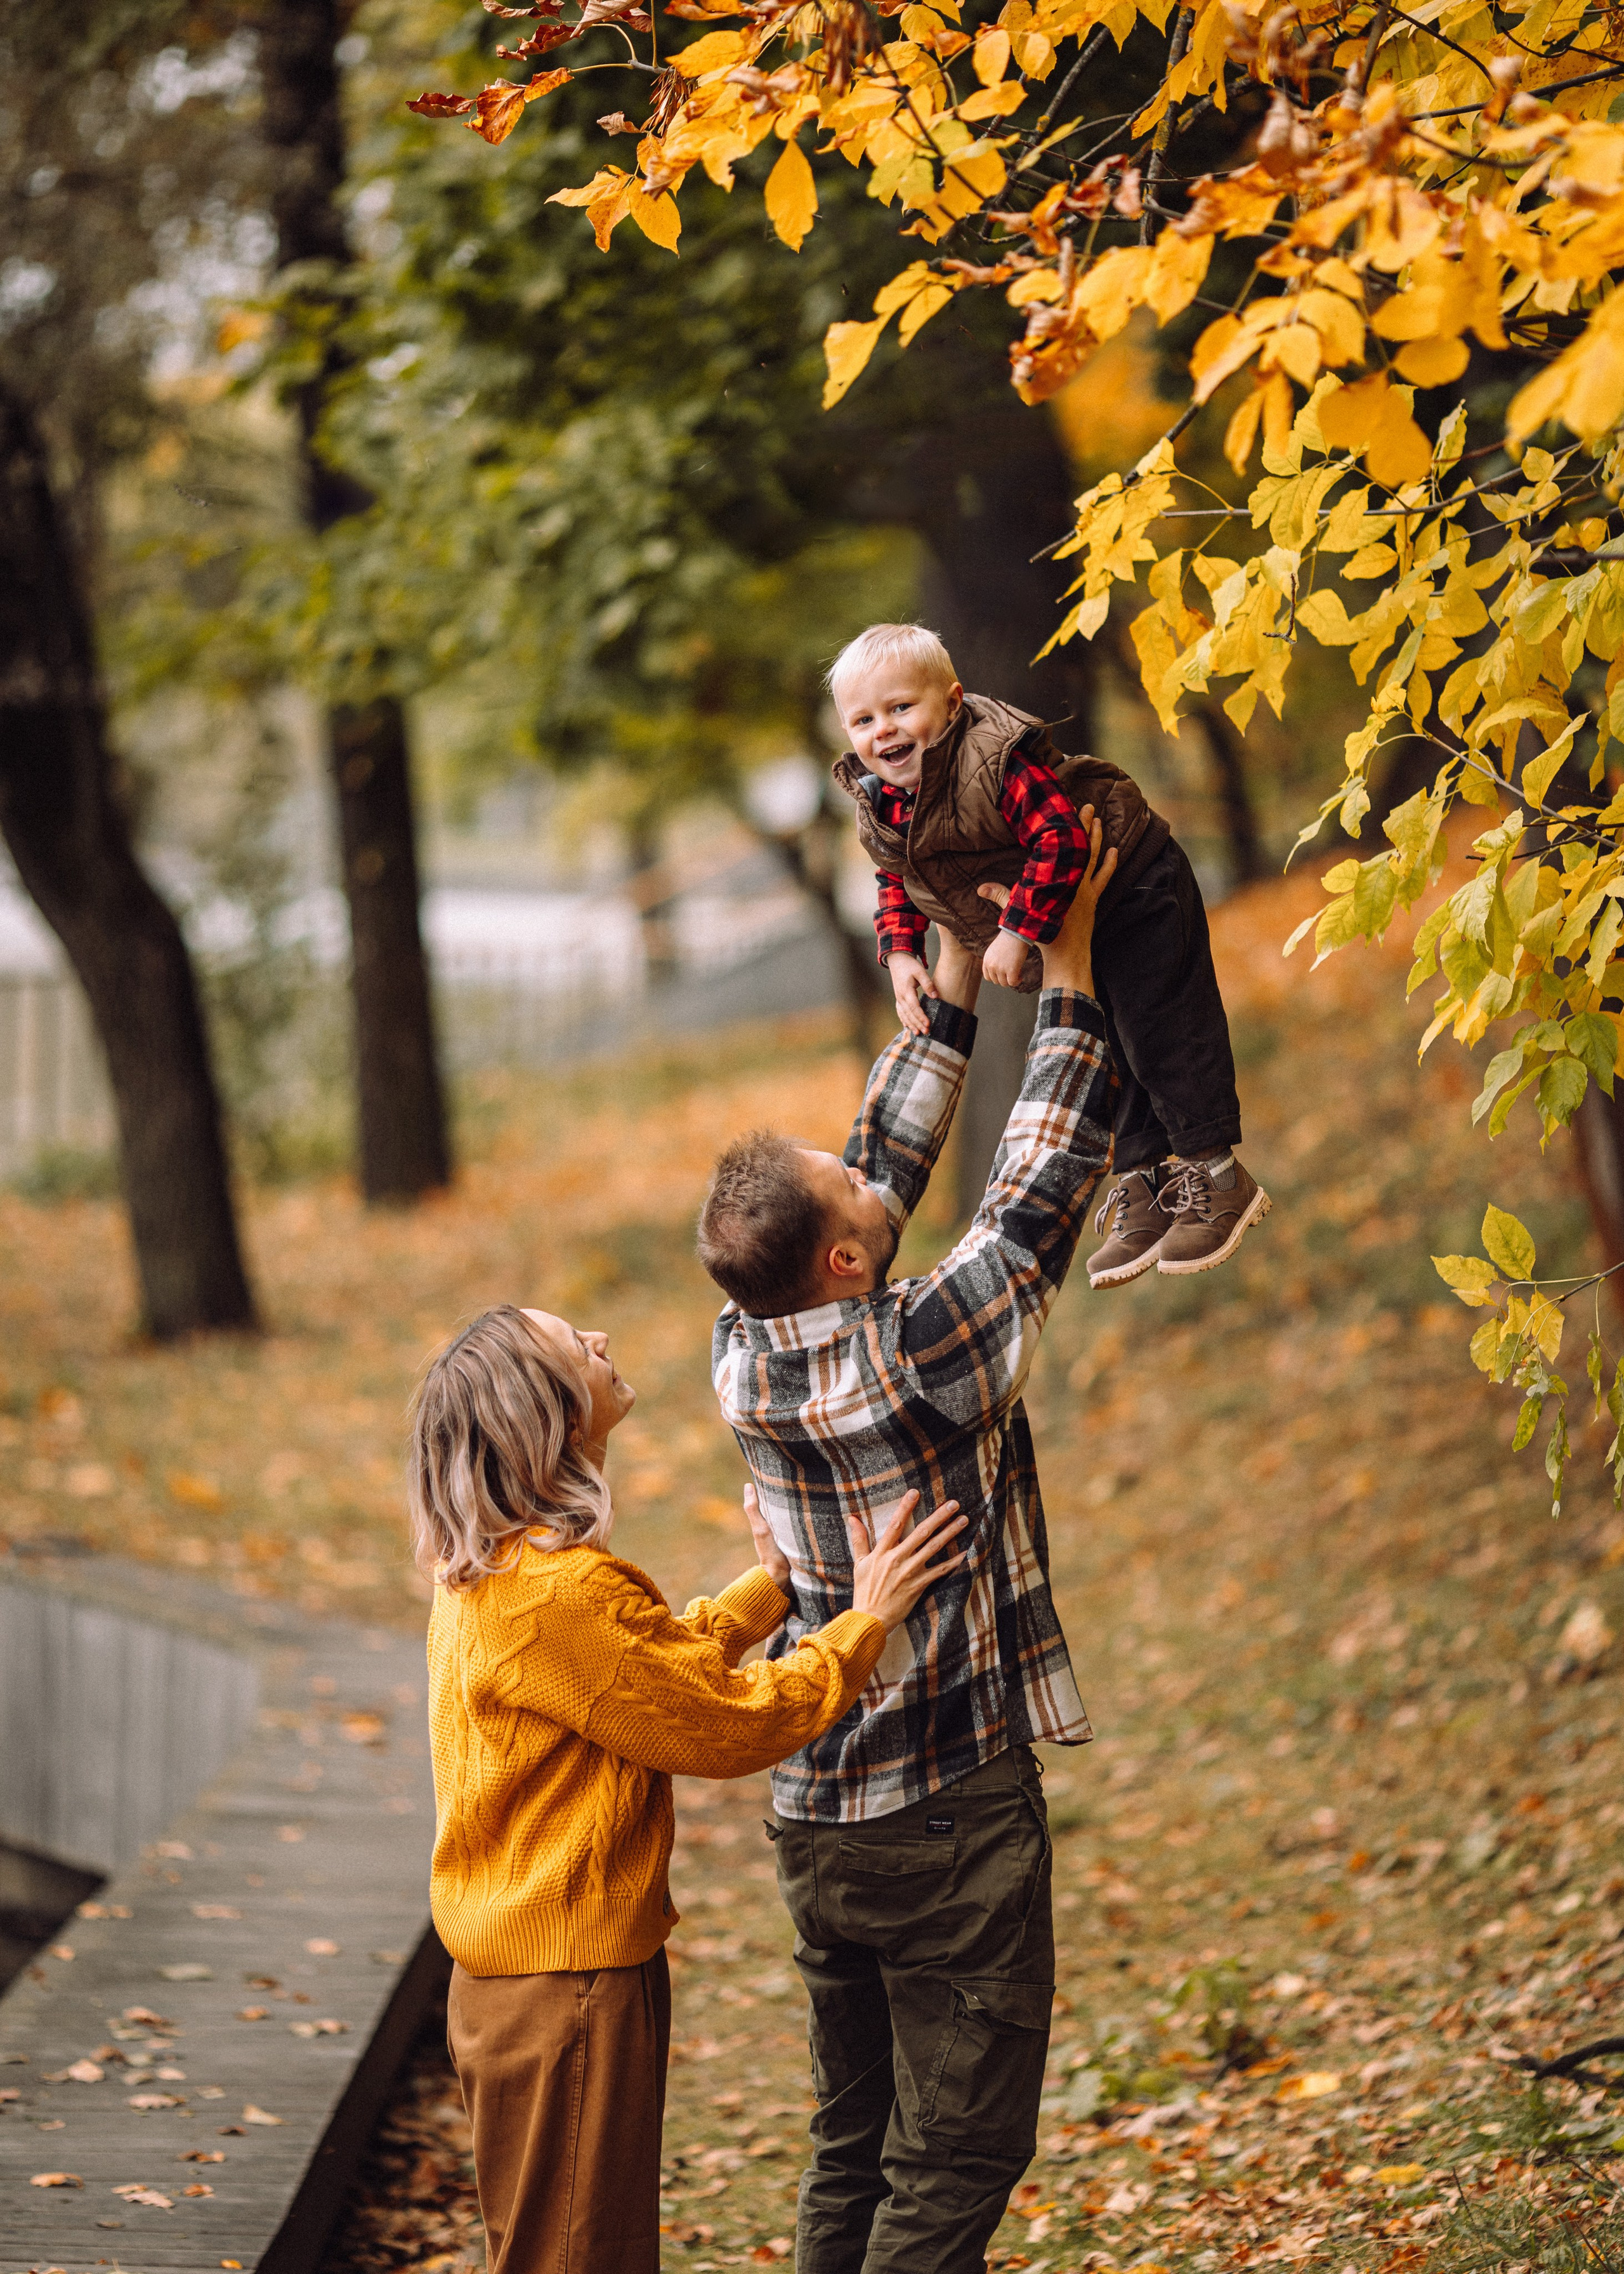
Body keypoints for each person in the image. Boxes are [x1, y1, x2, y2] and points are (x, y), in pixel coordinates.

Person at [695, 823, 1113, 2274]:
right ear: (845, 1262)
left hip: (817, 1817)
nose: (868, 1176)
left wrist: (940, 999)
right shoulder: (922, 1345)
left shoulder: (744, 1348)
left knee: (852, 2141)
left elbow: (873, 1168)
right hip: (943, 1817)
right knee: (953, 2159)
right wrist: (1070, 978)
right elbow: (1036, 1192)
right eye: (850, 1194)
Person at [410, 1301, 967, 2274]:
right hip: (565, 1987)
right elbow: (726, 1723)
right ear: (543, 1410)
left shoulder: (498, 1577)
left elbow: (645, 1676)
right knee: (576, 2260)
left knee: (563, 2249)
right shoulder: (559, 1595)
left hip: (524, 1976)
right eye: (572, 1344)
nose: (599, 1340)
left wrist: (769, 1589)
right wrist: (864, 1624)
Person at [830, 618, 1270, 1283]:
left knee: (1160, 1031)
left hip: (1133, 883)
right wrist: (900, 951)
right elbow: (897, 876)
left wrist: (1016, 930)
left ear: (951, 703)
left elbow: (1061, 839)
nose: (883, 731)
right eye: (864, 720)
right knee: (1111, 1048)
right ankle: (1146, 1184)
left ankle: (1217, 1172)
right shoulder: (887, 803)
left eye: (900, 708)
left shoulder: (994, 760)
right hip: (1072, 914)